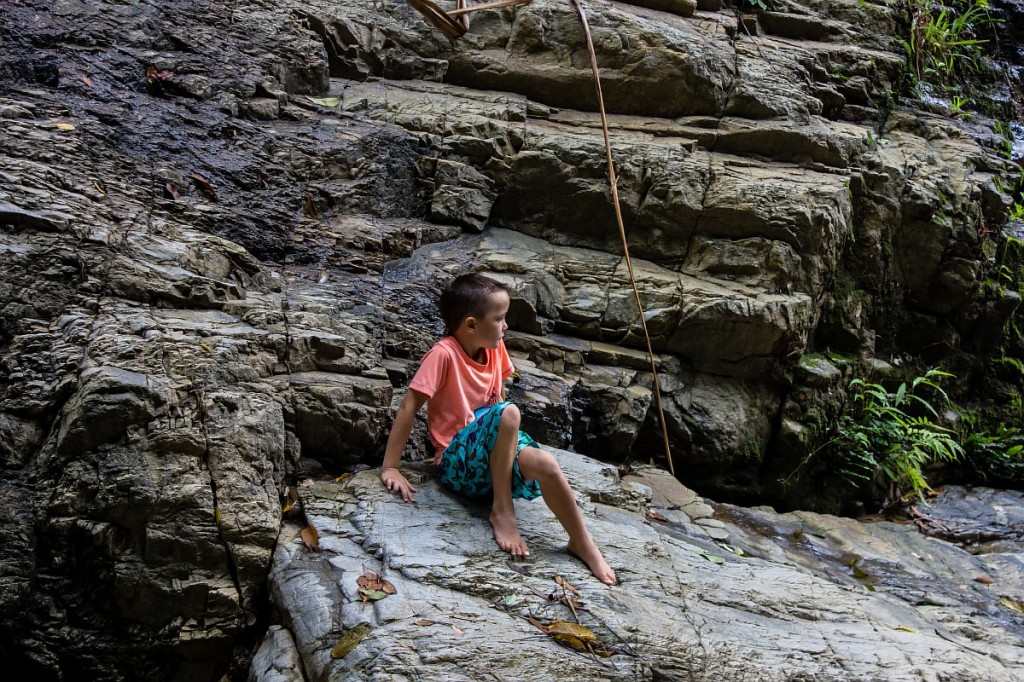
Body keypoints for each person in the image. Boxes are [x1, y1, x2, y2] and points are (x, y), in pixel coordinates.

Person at [380, 273, 617, 585]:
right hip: (458, 465)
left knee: (545, 463)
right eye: (500, 318)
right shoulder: (444, 354)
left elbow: (498, 397)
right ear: (471, 325)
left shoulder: (495, 347)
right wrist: (391, 467)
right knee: (508, 412)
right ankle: (503, 511)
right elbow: (410, 405)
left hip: (492, 464)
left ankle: (581, 543)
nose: (505, 326)